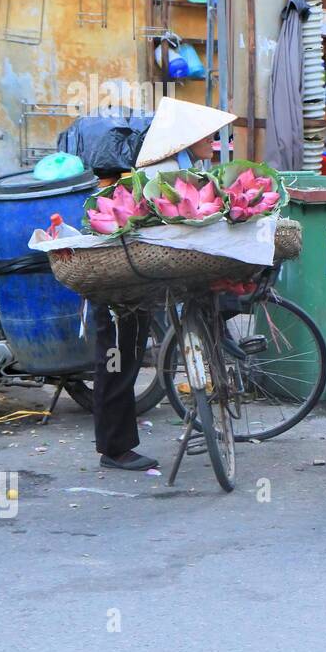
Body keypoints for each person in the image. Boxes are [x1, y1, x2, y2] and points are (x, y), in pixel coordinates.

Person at [92, 98, 237, 470]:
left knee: (125, 355)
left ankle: (117, 444)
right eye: (208, 136)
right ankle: (114, 448)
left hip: (138, 276)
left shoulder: (186, 167)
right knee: (118, 361)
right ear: (186, 139)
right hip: (118, 281)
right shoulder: (167, 171)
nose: (214, 142)